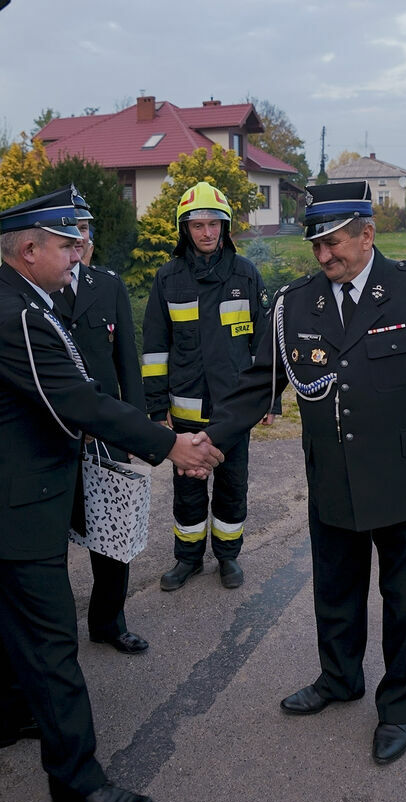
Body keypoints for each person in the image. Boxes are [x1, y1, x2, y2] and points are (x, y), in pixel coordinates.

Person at [0, 188, 223, 802]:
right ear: (30, 249)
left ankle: (7, 719)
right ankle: (78, 784)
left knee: (5, 617)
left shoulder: (24, 301)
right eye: (67, 245)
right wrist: (172, 444)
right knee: (50, 642)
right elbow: (78, 401)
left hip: (3, 500)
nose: (78, 254)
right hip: (11, 508)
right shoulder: (13, 315)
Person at [204, 181, 406, 765]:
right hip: (332, 479)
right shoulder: (296, 303)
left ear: (367, 234)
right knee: (336, 592)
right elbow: (257, 384)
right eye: (316, 246)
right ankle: (339, 677)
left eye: (334, 243)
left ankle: (398, 708)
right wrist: (205, 438)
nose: (325, 257)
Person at [141, 181, 273, 592]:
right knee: (188, 490)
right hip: (185, 412)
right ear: (185, 229)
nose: (206, 233)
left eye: (213, 224)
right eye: (197, 225)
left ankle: (228, 557)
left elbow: (264, 344)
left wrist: (267, 400)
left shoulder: (245, 274)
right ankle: (187, 559)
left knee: (232, 486)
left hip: (233, 413)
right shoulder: (168, 279)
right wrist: (154, 405)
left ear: (225, 226)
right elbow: (154, 347)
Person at [51, 187, 150, 655]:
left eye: (85, 229)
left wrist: (135, 432)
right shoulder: (38, 291)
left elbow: (127, 364)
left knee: (111, 535)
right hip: (52, 436)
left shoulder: (106, 285)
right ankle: (54, 633)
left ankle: (109, 622)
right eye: (71, 229)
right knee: (51, 544)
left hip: (105, 435)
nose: (79, 238)